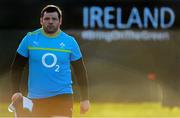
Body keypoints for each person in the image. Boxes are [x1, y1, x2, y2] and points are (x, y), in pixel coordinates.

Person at [10, 5, 90, 117]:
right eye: (47, 19)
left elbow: (80, 70)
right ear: (41, 20)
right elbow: (17, 67)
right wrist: (15, 91)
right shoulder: (29, 39)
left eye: (54, 19)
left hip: (62, 96)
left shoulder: (70, 42)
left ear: (60, 21)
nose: (50, 22)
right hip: (36, 99)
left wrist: (85, 98)